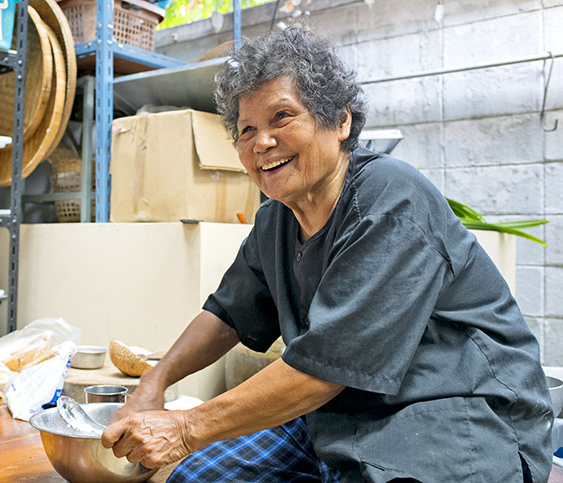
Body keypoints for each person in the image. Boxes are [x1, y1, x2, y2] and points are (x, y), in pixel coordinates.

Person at [101, 25, 554, 482]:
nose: (262, 143)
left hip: (451, 408)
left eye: (282, 117)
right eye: (247, 130)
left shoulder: (391, 201)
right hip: (338, 414)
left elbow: (323, 370)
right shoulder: (276, 220)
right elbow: (227, 313)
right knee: (199, 477)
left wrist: (185, 428)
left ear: (340, 122)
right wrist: (152, 384)